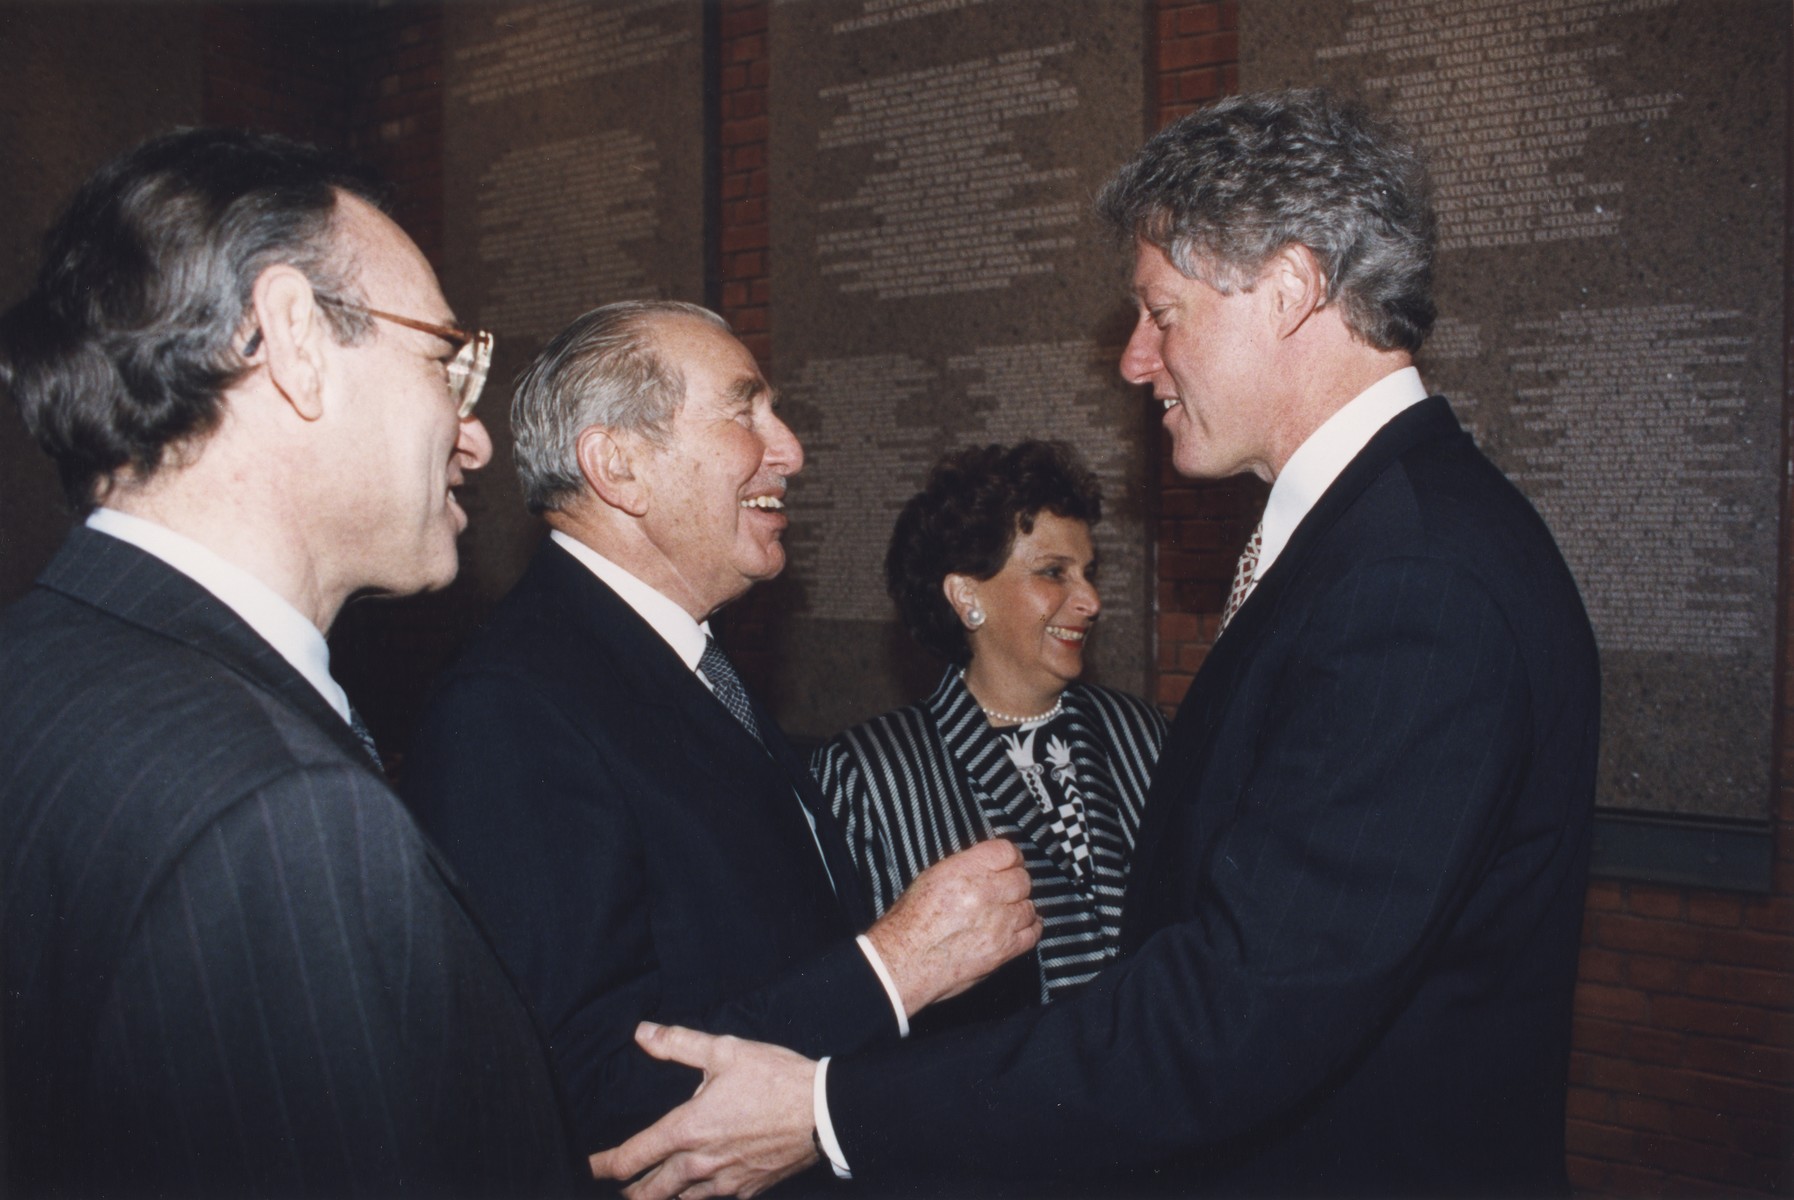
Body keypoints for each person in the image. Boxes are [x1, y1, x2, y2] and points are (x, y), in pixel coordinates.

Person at [590, 88, 1601, 1198]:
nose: (1133, 359)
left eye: (1162, 313)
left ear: (1293, 287)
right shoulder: (1381, 537)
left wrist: (831, 1109)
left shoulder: (1414, 578)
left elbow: (1233, 1018)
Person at [0, 129, 580, 1197]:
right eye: (447, 361)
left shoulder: (41, 663)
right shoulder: (284, 816)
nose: (478, 437)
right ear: (294, 338)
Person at [401, 300, 1041, 1180]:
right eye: (746, 411)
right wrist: (893, 969)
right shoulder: (512, 710)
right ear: (619, 466)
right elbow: (576, 1092)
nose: (790, 450)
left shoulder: (686, 661)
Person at [813, 441, 1165, 1030]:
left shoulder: (1139, 735)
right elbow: (845, 995)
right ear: (966, 596)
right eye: (1054, 572)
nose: (1092, 601)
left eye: (1089, 573)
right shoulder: (868, 772)